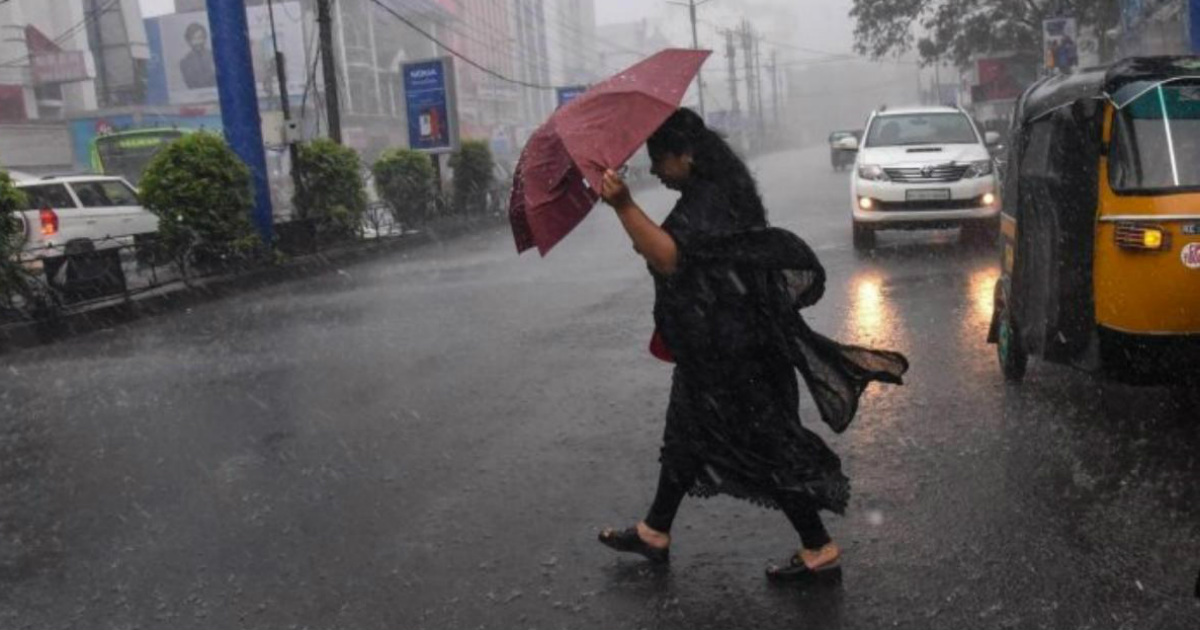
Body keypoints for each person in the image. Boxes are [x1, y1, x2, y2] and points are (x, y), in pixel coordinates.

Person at [596, 108, 908, 582]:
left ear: (686, 156)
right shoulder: (716, 189)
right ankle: (655, 531)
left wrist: (623, 206)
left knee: (768, 446)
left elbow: (671, 257)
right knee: (684, 436)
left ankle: (818, 549)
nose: (655, 171)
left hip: (736, 352)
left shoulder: (711, 200)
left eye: (659, 160)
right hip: (718, 346)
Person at [179, 23, 217, 90]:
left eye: (200, 38)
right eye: (194, 39)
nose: (198, 42)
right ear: (188, 41)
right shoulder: (184, 62)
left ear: (205, 38)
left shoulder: (214, 56)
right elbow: (190, 84)